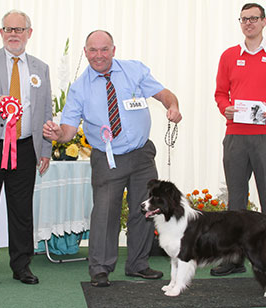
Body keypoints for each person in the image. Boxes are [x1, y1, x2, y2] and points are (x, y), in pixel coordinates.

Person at [43, 30, 182, 287]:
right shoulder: (80, 88)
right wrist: (56, 133)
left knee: (145, 211)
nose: (99, 55)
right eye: (93, 50)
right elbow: (69, 131)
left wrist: (172, 106)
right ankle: (100, 268)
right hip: (106, 158)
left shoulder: (134, 70)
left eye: (104, 49)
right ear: (85, 52)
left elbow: (164, 94)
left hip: (141, 155)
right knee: (105, 214)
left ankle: (138, 264)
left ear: (113, 50)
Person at [211, 2, 266, 276]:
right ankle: (233, 259)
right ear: (240, 23)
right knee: (236, 201)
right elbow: (220, 93)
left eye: (254, 18)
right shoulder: (228, 56)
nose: (249, 23)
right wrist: (226, 108)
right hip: (235, 136)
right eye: (244, 19)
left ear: (264, 21)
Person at [0, 10, 52, 284]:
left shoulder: (41, 67)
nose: (13, 34)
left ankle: (21, 266)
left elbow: (47, 111)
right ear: (1, 32)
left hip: (26, 148)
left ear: (29, 33)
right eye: (9, 29)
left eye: (19, 29)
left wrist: (46, 149)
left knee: (21, 210)